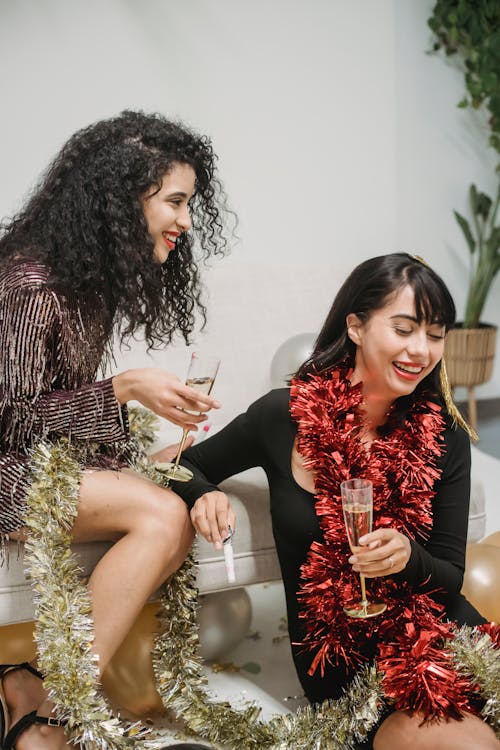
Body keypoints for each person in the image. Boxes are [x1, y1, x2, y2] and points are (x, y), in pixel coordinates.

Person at [172, 253, 499, 749]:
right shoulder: (283, 416)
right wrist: (201, 494)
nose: (421, 350)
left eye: (435, 334)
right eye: (405, 328)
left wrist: (409, 558)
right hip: (346, 666)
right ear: (356, 326)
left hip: (447, 635)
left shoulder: (444, 433)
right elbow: (183, 464)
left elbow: (450, 575)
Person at [0, 110, 232, 750]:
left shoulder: (90, 283)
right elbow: (12, 420)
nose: (186, 220)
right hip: (5, 470)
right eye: (176, 202)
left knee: (166, 490)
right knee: (161, 516)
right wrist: (123, 390)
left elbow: (55, 411)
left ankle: (39, 690)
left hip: (40, 465)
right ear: (121, 199)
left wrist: (124, 442)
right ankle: (51, 710)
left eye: (191, 202)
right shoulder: (31, 282)